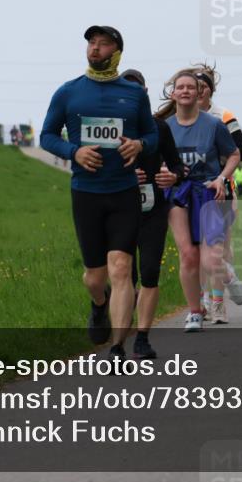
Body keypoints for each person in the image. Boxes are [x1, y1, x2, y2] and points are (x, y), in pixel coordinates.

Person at [40, 26, 157, 363]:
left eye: (103, 43)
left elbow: (150, 135)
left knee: (121, 267)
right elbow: (47, 135)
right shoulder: (69, 92)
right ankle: (98, 304)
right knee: (95, 277)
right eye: (91, 43)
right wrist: (73, 151)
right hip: (86, 193)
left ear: (117, 51)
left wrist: (139, 144)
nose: (95, 48)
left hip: (124, 192)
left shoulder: (134, 94)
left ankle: (118, 347)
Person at [156, 70, 240, 330]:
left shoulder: (213, 124)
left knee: (210, 260)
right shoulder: (164, 127)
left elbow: (235, 154)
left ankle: (228, 275)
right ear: (173, 93)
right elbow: (155, 160)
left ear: (199, 92)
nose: (185, 91)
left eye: (190, 87)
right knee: (188, 256)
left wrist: (222, 179)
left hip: (208, 192)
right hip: (178, 193)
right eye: (179, 87)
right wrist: (162, 173)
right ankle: (195, 311)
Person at [122, 69, 185, 359]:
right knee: (124, 274)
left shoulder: (158, 128)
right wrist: (122, 177)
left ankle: (142, 338)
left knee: (149, 272)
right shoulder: (111, 127)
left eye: (137, 91)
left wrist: (171, 177)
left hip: (153, 209)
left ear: (145, 93)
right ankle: (119, 337)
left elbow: (177, 165)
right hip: (118, 210)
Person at [194, 65, 242, 316]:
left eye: (203, 86)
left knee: (220, 248)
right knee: (199, 250)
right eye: (194, 86)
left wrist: (217, 158)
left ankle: (218, 303)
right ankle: (206, 299)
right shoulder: (184, 116)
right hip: (193, 192)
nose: (198, 90)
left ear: (210, 90)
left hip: (222, 190)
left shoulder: (224, 116)